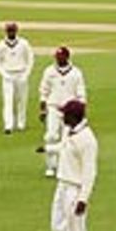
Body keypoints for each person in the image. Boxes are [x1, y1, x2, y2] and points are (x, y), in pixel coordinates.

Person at [39, 100, 106, 231]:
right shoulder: (70, 130)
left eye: (65, 115)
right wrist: (48, 149)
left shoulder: (87, 140)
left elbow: (90, 172)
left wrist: (83, 199)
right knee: (56, 228)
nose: (62, 117)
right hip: (62, 184)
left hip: (75, 189)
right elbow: (64, 146)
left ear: (75, 117)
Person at [38, 47, 87, 178]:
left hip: (70, 110)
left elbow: (81, 92)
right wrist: (42, 108)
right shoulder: (49, 71)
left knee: (66, 139)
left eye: (61, 56)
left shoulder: (76, 73)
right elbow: (44, 90)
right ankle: (50, 166)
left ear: (67, 57)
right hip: (53, 107)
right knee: (51, 136)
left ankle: (64, 166)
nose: (58, 59)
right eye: (57, 56)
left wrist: (81, 110)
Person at [0, 22, 35, 134]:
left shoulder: (23, 43)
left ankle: (21, 123)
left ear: (16, 31)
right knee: (8, 100)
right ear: (6, 31)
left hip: (21, 73)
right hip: (8, 74)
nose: (11, 33)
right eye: (9, 31)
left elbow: (30, 58)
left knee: (21, 100)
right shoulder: (1, 45)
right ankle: (8, 125)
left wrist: (26, 74)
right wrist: (3, 74)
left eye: (12, 30)